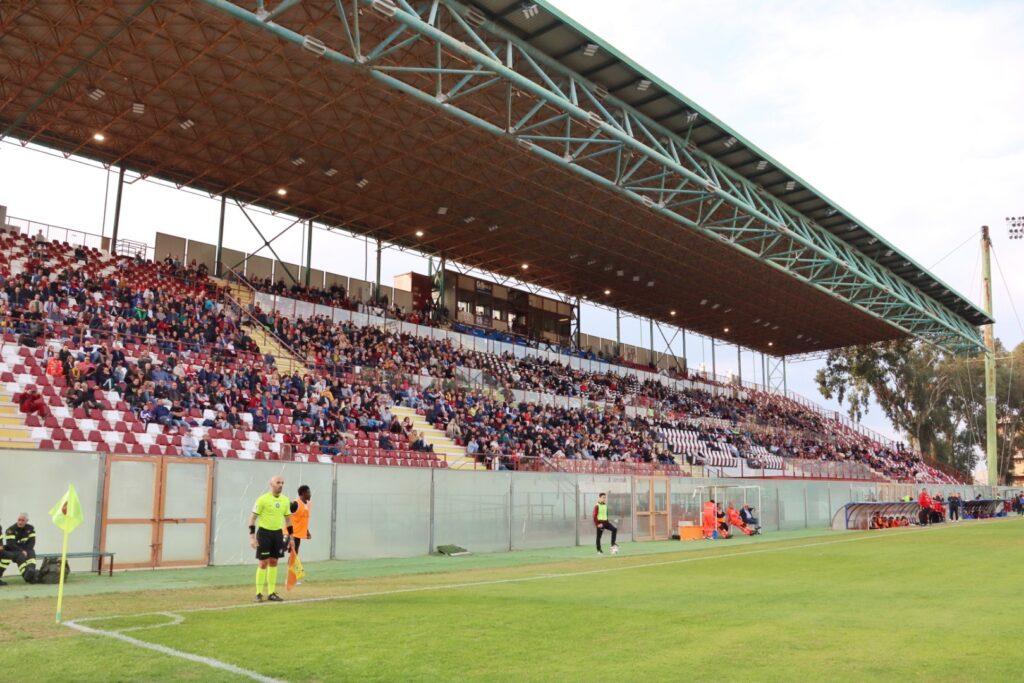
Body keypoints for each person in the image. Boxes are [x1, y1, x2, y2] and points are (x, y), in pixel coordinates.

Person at [248, 475, 295, 602]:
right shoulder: (262, 499)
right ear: (271, 484)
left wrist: (291, 537)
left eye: (282, 483)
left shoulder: (285, 500)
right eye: (278, 482)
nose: (280, 485)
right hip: (264, 534)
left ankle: (271, 593)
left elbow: (288, 520)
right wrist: (252, 537)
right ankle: (258, 593)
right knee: (263, 562)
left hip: (278, 534)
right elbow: (252, 518)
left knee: (274, 562)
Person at [0, 514, 37, 585]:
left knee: (31, 552)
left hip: (23, 549)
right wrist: (21, 551)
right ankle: (27, 575)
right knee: (19, 555)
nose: (20, 522)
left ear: (27, 521)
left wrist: (26, 550)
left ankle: (31, 571)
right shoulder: (11, 530)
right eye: (19, 520)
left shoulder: (30, 528)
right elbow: (11, 544)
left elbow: (32, 542)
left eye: (22, 520)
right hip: (13, 549)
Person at [289, 485, 312, 556]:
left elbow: (303, 520)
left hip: (297, 535)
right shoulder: (295, 504)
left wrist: (307, 531)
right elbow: (287, 516)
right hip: (289, 534)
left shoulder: (308, 504)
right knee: (293, 553)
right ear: (303, 493)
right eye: (308, 492)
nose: (310, 494)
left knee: (294, 553)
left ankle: (291, 567)